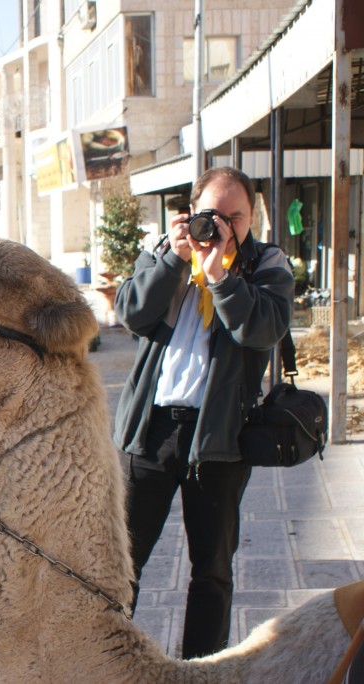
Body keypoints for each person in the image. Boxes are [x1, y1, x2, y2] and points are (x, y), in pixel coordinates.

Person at [113, 166, 295, 659]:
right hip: (150, 434)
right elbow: (129, 312)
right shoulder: (166, 251)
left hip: (220, 440)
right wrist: (174, 259)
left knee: (211, 568)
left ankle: (202, 667)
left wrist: (220, 277)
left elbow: (263, 329)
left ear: (252, 217)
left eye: (237, 216)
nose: (226, 227)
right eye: (215, 215)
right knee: (120, 564)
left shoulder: (266, 264)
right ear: (193, 214)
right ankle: (106, 660)